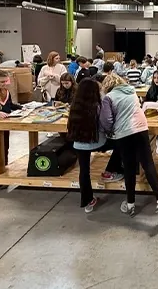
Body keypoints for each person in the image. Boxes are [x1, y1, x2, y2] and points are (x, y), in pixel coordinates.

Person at [100, 74, 158, 216]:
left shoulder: (109, 97)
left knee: (129, 167)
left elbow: (107, 120)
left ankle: (130, 204)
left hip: (124, 133)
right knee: (148, 164)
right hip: (141, 129)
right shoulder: (132, 91)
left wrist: (109, 131)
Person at [67, 78, 123, 214]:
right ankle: (109, 171)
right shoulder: (98, 106)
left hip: (79, 144)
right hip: (97, 142)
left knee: (84, 172)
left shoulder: (74, 107)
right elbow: (106, 125)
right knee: (122, 143)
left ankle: (87, 201)